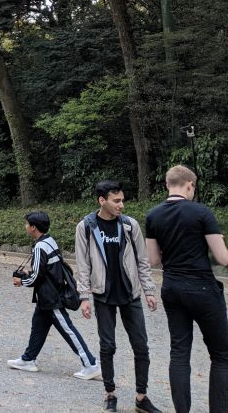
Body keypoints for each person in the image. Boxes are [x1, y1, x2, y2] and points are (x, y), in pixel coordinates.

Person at [146, 165, 228, 412]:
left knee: (179, 352)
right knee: (222, 355)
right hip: (202, 288)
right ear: (189, 184)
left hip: (172, 287)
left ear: (168, 185)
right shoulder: (201, 212)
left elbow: (153, 260)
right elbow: (222, 258)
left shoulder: (153, 215)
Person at [75, 180, 161, 412]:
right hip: (103, 295)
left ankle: (141, 398)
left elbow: (143, 262)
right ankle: (110, 393)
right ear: (102, 201)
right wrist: (84, 296)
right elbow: (83, 265)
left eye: (122, 200)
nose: (121, 205)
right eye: (116, 201)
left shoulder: (130, 225)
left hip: (130, 294)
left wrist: (149, 291)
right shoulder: (86, 227)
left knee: (141, 346)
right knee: (108, 346)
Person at [9, 210, 97, 376]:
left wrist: (22, 281)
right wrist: (31, 273)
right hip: (48, 296)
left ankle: (91, 364)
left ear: (33, 227)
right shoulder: (49, 241)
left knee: (68, 330)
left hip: (51, 298)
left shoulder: (40, 246)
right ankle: (28, 359)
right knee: (38, 327)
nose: (25, 226)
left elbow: (37, 276)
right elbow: (48, 270)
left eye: (27, 224)